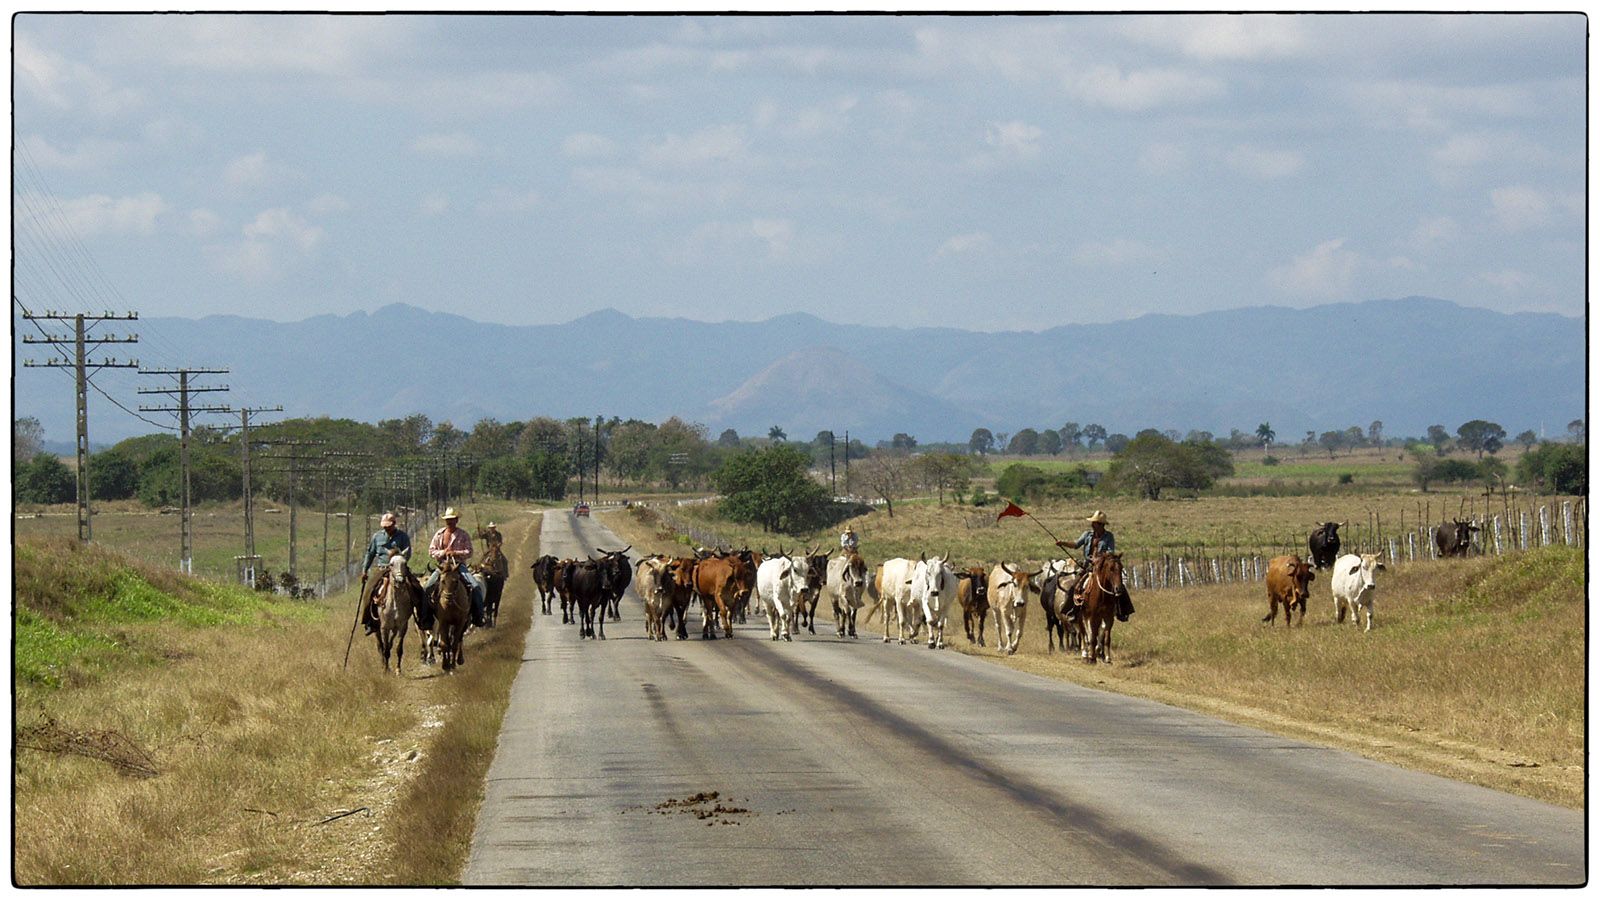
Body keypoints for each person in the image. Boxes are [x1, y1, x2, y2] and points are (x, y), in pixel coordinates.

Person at [1055, 510, 1135, 622]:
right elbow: (1076, 544)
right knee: (1075, 586)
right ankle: (1072, 611)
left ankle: (1123, 611)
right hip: (1087, 566)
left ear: (1101, 525)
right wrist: (1062, 543)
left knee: (1119, 586)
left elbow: (1110, 551)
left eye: (1095, 523)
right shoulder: (1087, 535)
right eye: (1093, 523)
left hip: (1102, 566)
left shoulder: (1109, 536)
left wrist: (1098, 559)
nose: (1092, 525)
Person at [422, 507, 486, 628]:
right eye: (447, 520)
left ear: (456, 520)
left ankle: (478, 616)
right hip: (442, 567)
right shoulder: (439, 534)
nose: (449, 522)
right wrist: (443, 552)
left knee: (476, 587)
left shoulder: (463, 534)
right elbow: (431, 551)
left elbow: (469, 551)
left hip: (458, 566)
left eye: (452, 519)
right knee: (427, 588)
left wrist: (456, 553)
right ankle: (426, 619)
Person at [361, 512, 412, 636]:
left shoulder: (403, 536)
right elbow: (370, 553)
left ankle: (422, 618)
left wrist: (399, 562)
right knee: (369, 591)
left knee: (416, 588)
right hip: (382, 568)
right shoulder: (377, 537)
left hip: (399, 567)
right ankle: (369, 622)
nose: (386, 528)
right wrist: (364, 570)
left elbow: (408, 553)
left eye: (388, 526)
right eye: (384, 526)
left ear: (394, 524)